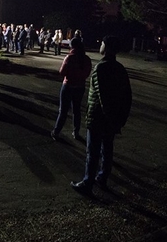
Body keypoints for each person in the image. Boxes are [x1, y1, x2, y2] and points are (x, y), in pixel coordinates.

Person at [71, 36, 132, 195]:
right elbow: (127, 96)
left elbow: (103, 97)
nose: (101, 45)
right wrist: (120, 119)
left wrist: (110, 118)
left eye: (103, 43)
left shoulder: (100, 68)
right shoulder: (120, 68)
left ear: (107, 47)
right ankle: (102, 178)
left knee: (93, 152)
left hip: (98, 118)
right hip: (113, 119)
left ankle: (87, 183)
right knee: (107, 150)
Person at [51, 38, 92, 141]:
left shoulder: (69, 57)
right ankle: (76, 132)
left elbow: (62, 72)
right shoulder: (86, 59)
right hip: (80, 86)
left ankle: (56, 131)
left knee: (63, 111)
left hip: (68, 85)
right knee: (76, 110)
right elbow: (87, 73)